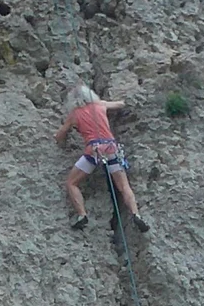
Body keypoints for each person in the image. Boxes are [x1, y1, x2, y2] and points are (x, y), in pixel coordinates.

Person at [55, 84, 149, 235]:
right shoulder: (100, 105)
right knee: (124, 186)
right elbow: (120, 104)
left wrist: (61, 142)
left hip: (93, 150)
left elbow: (61, 134)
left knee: (72, 183)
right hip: (112, 148)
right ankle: (136, 214)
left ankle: (82, 215)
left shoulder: (74, 114)